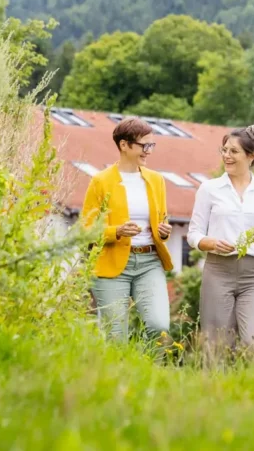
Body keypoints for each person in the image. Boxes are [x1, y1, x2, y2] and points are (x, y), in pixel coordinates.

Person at [187, 122, 254, 351]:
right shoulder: (209, 189)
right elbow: (193, 233)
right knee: (217, 345)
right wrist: (208, 242)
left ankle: (250, 386)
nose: (227, 156)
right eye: (224, 150)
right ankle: (214, 387)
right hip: (218, 271)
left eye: (233, 151)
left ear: (251, 156)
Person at [82, 117, 174, 342]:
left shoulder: (157, 180)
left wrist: (163, 231)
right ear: (124, 145)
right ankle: (120, 376)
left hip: (149, 262)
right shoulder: (100, 181)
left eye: (151, 145)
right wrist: (117, 231)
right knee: (116, 336)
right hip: (112, 264)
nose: (149, 151)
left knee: (159, 326)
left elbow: (161, 221)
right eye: (145, 146)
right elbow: (86, 230)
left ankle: (156, 374)